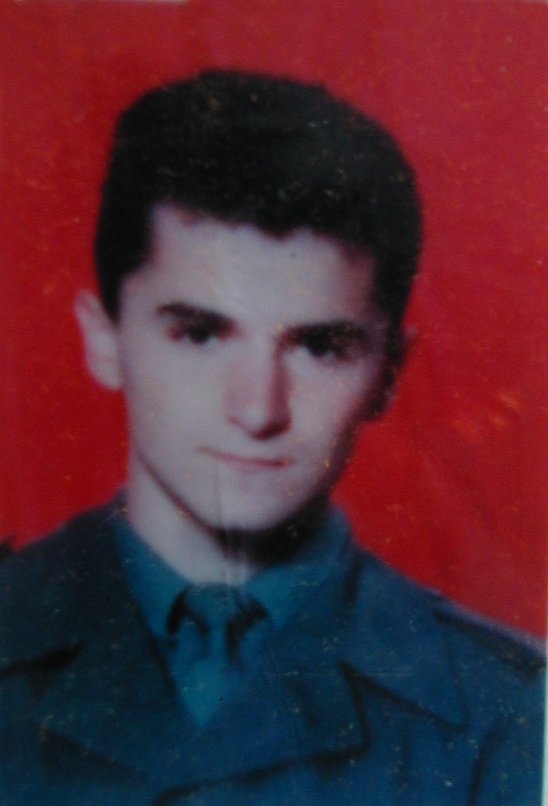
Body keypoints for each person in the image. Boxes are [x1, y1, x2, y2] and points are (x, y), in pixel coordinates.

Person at [0, 70, 544, 805]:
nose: (258, 410)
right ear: (104, 339)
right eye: (200, 333)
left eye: (320, 347)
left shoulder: (512, 713)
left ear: (388, 373)